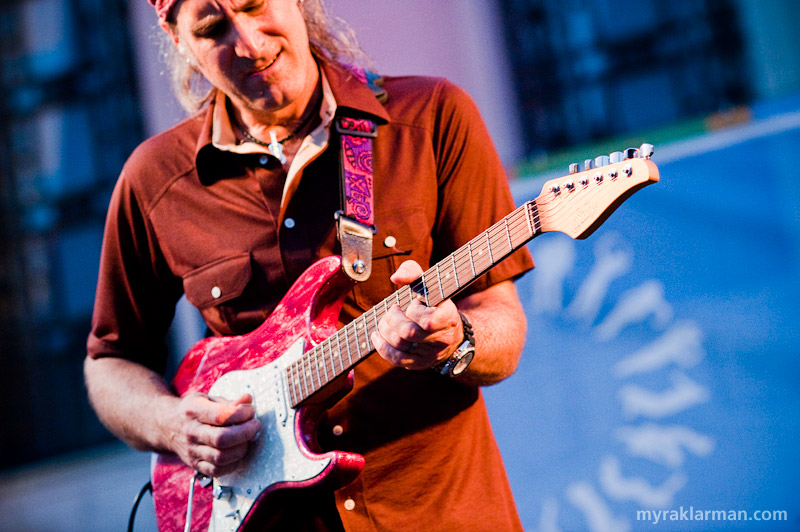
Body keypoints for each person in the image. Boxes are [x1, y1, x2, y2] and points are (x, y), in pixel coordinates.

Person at [84, 0, 534, 530]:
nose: (250, 43)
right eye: (212, 29)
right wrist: (172, 424)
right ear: (178, 39)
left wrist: (456, 338)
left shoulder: (432, 116)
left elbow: (501, 321)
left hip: (440, 512)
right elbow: (110, 363)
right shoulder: (153, 180)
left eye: (255, 6)